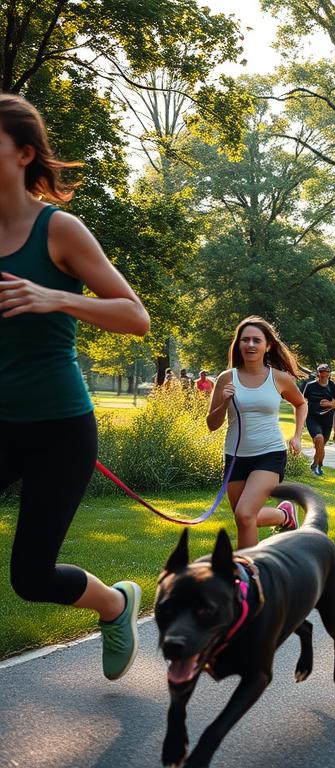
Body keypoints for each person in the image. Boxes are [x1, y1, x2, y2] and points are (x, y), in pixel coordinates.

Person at [0, 93, 150, 680]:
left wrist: (55, 297)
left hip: (60, 430)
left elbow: (134, 316)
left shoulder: (58, 229)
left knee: (31, 577)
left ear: (24, 154)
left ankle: (115, 605)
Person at [206, 316, 307, 548]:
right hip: (235, 456)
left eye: (256, 340)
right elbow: (212, 424)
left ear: (267, 345)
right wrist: (223, 402)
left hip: (269, 454)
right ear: (238, 344)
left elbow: (301, 404)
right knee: (244, 518)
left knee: (244, 515)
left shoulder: (279, 378)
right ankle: (285, 516)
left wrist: (297, 435)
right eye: (245, 340)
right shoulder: (226, 378)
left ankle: (248, 574)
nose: (250, 345)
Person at [302, 363, 335, 477]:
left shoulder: (333, 387)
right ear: (318, 373)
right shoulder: (310, 386)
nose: (323, 374)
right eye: (321, 372)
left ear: (329, 373)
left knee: (321, 445)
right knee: (319, 439)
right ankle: (315, 464)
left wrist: (330, 404)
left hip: (327, 419)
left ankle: (319, 464)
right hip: (312, 418)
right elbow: (301, 401)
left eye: (326, 372)